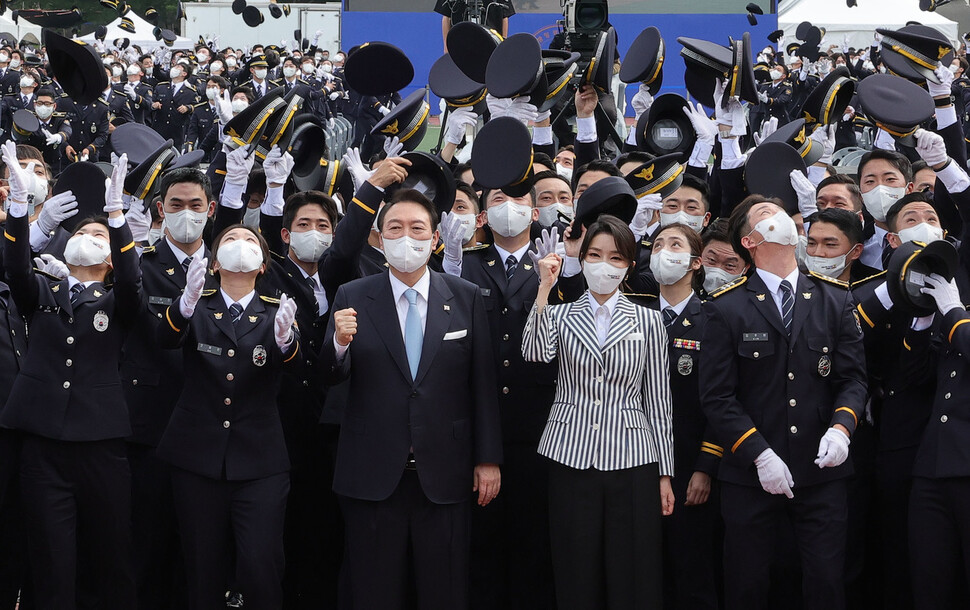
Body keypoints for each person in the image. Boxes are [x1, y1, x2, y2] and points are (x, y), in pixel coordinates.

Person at [320, 188, 502, 610]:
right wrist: (339, 343)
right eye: (394, 228)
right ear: (379, 239)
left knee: (444, 589)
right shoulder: (353, 295)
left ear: (435, 237)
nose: (407, 237)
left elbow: (482, 384)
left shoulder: (465, 296)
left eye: (417, 228)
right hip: (373, 472)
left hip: (446, 471)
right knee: (374, 589)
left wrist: (487, 458)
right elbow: (329, 374)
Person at [701, 195, 867, 610]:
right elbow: (718, 397)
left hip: (821, 470)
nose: (777, 217)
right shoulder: (726, 307)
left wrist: (842, 429)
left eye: (778, 211)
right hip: (751, 475)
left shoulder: (835, 298)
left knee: (826, 583)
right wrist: (759, 455)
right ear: (750, 239)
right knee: (748, 585)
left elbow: (852, 379)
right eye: (764, 215)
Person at [1, 142, 140, 609]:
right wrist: (20, 211)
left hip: (101, 444)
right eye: (85, 231)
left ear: (109, 256)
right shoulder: (43, 287)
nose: (91, 237)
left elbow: (130, 285)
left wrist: (117, 219)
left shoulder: (118, 299)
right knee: (51, 559)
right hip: (43, 444)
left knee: (109, 556)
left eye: (100, 236)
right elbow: (15, 267)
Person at [524, 215, 674, 610]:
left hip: (633, 457)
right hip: (570, 452)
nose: (603, 264)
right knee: (575, 569)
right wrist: (545, 288)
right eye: (594, 254)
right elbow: (535, 353)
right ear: (582, 258)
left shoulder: (650, 319)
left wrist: (665, 472)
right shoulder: (560, 313)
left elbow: (658, 400)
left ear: (628, 265)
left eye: (615, 257)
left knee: (633, 571)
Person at [155, 225, 300, 609]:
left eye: (251, 241)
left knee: (260, 564)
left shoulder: (277, 311)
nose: (241, 246)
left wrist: (287, 342)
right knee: (202, 568)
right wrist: (182, 306)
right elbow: (165, 339)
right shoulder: (194, 304)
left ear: (263, 264)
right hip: (197, 457)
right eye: (231, 241)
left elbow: (302, 369)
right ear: (215, 262)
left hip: (260, 462)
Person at [121, 167, 218, 610]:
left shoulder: (231, 264)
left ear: (211, 210)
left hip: (212, 426)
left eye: (195, 205)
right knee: (146, 543)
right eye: (175, 205)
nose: (185, 214)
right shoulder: (140, 266)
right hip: (153, 424)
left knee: (199, 552)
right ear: (160, 210)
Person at [647, 223, 722, 610]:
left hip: (690, 463)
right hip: (638, 463)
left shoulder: (713, 319)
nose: (663, 251)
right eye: (658, 243)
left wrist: (706, 467)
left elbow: (721, 401)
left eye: (674, 244)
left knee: (692, 570)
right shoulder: (636, 316)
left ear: (695, 262)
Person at [437, 0, 515, 51]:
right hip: (460, 42)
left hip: (491, 41)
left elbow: (504, 16)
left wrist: (502, 44)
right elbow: (446, 16)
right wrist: (447, 47)